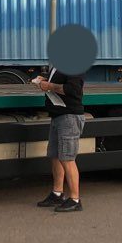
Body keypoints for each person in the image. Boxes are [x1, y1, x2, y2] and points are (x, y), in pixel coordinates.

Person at [35, 67, 85, 212]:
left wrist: (49, 86)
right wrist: (45, 81)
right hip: (58, 115)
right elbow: (59, 83)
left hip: (69, 117)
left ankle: (75, 199)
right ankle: (57, 193)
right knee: (55, 156)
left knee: (67, 158)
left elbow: (73, 89)